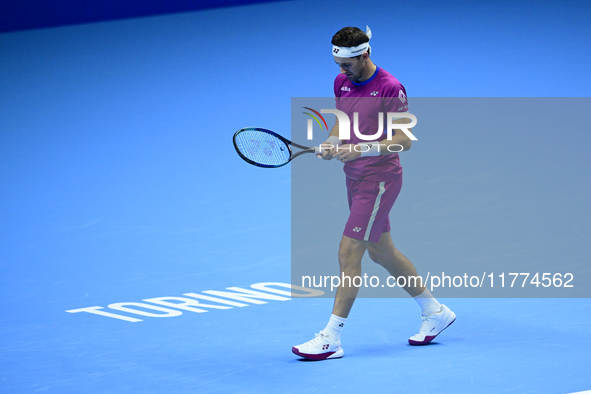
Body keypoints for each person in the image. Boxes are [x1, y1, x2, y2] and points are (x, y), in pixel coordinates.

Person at [292, 26, 456, 361]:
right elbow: (342, 121)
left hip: (379, 181)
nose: (342, 71)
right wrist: (332, 142)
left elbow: (404, 141)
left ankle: (331, 337)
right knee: (383, 253)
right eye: (338, 63)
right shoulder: (341, 81)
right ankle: (435, 311)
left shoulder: (390, 88)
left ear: (365, 54)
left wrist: (361, 150)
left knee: (348, 253)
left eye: (348, 63)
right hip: (354, 177)